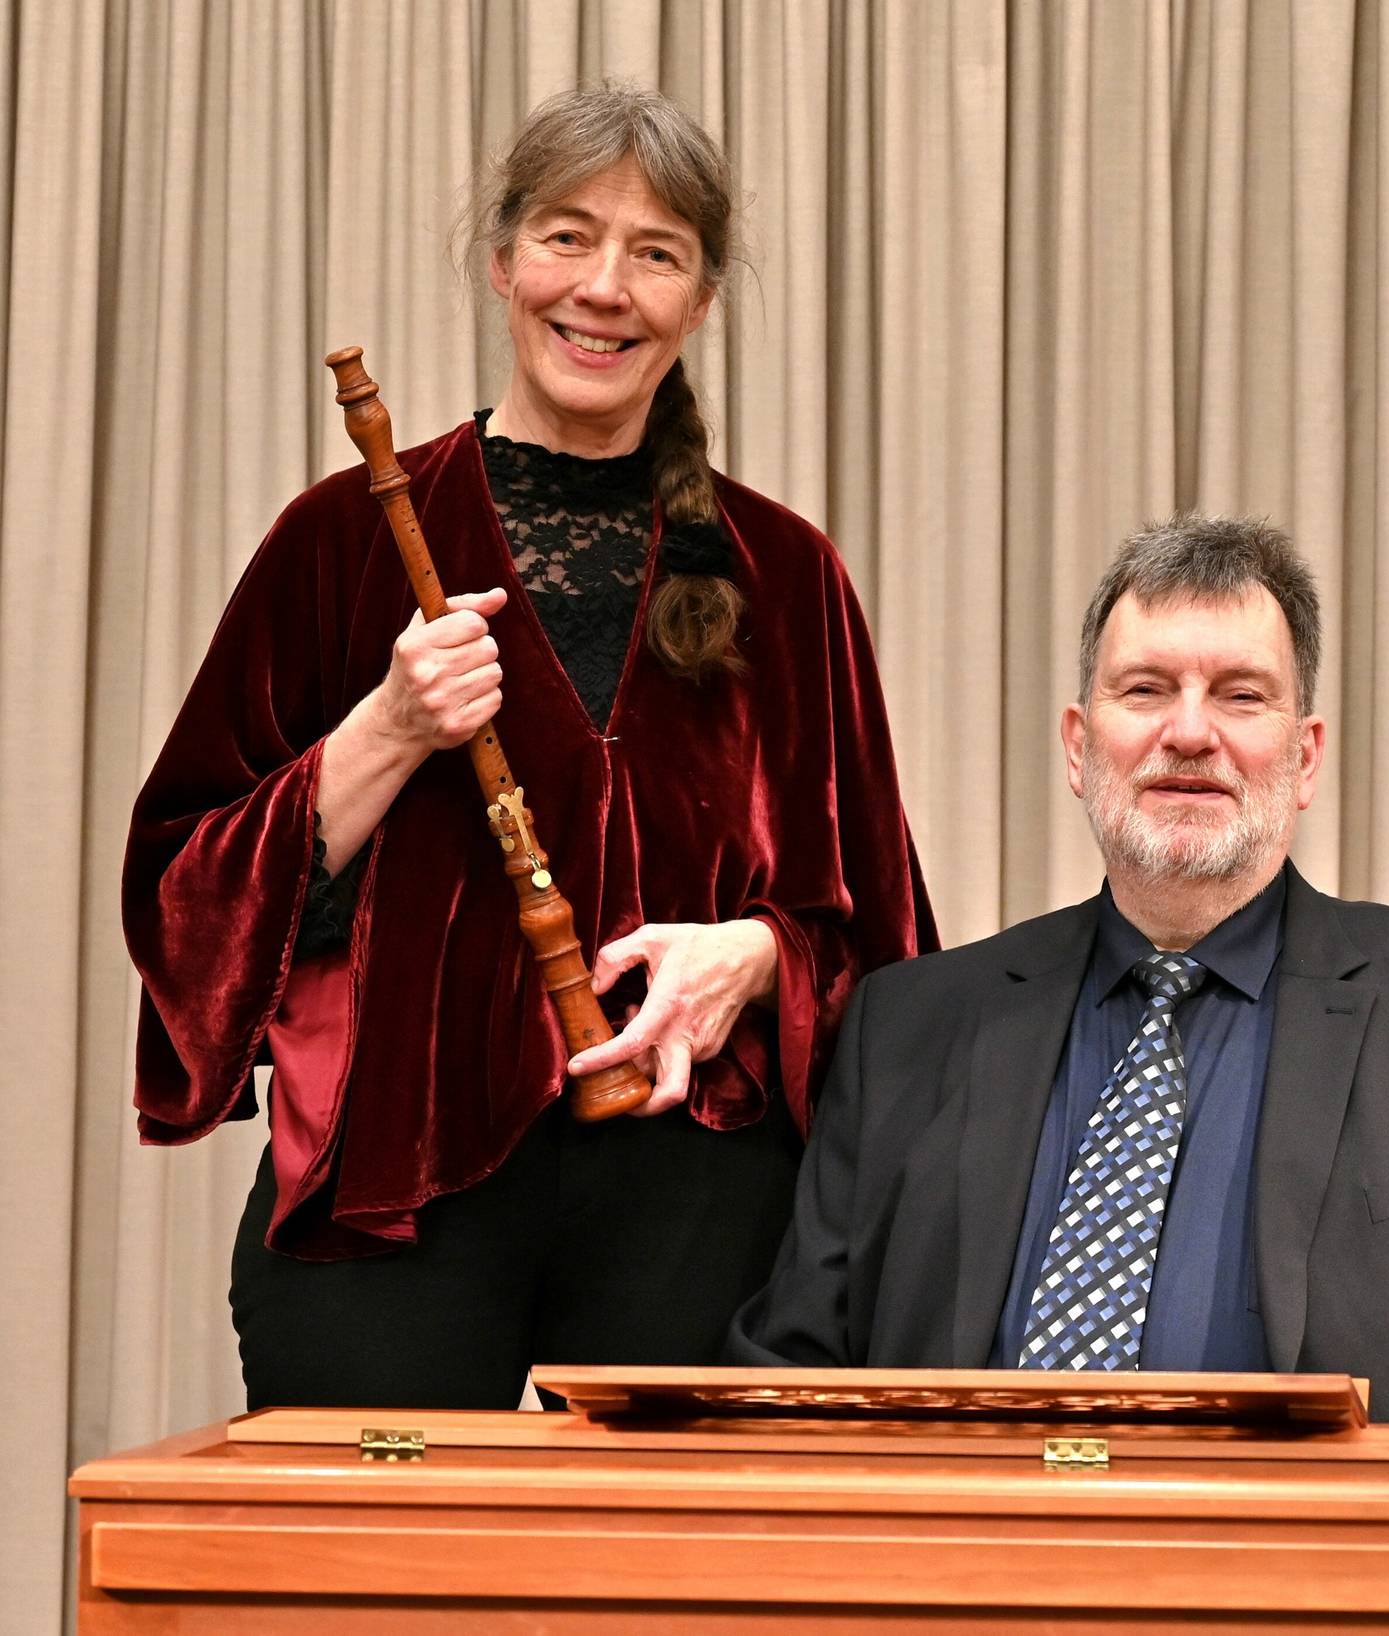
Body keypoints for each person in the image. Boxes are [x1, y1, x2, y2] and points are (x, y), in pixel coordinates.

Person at [123, 85, 933, 1411]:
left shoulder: (788, 578)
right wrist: (384, 732)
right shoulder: (340, 545)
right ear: (503, 265)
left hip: (701, 1197)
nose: (605, 288)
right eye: (568, 237)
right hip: (397, 1177)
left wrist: (759, 955)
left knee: (660, 1611)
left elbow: (887, 956)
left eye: (656, 253)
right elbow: (186, 893)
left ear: (701, 302)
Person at [728, 515, 1389, 1428]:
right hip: (972, 1585)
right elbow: (798, 1351)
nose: (1190, 732)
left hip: (1324, 1593)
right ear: (1079, 746)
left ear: (1306, 757)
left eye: (1241, 695)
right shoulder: (909, 1024)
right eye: (1146, 689)